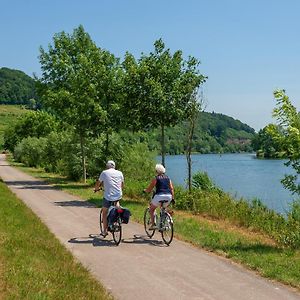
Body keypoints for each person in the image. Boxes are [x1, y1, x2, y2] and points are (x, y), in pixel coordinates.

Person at [94, 160, 124, 237]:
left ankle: (104, 231)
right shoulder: (120, 173)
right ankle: (119, 214)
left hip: (108, 196)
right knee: (117, 204)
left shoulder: (104, 172)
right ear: (114, 166)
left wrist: (96, 188)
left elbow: (98, 182)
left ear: (107, 166)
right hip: (118, 194)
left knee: (104, 212)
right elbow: (122, 184)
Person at [143, 164, 174, 230]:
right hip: (169, 196)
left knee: (152, 209)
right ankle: (166, 222)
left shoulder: (156, 178)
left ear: (157, 171)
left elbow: (150, 189)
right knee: (164, 208)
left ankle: (153, 224)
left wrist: (145, 190)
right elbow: (171, 188)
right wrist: (173, 198)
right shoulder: (168, 178)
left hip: (159, 196)